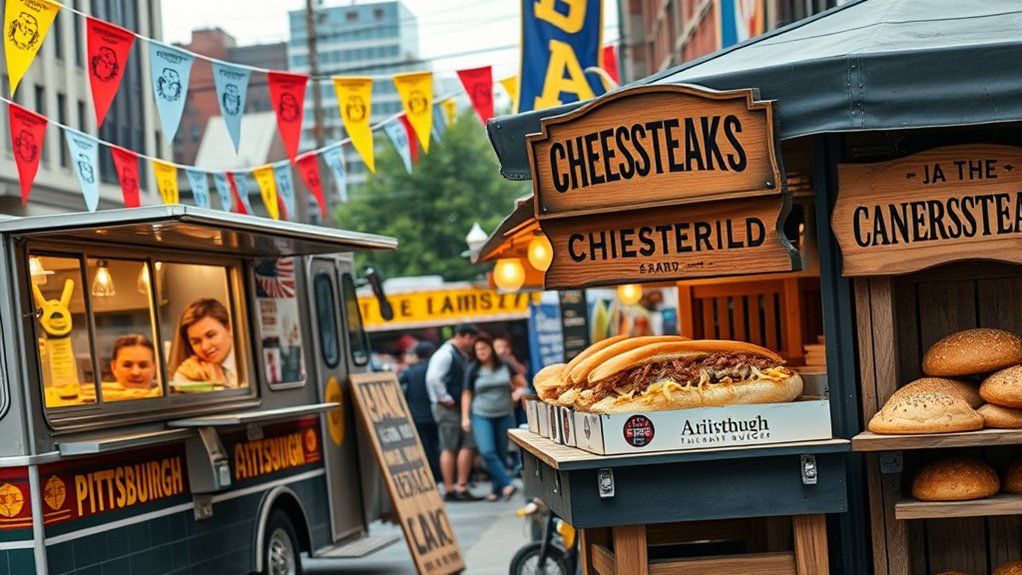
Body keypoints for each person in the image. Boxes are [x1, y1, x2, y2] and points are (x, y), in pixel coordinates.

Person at [462, 334, 526, 502]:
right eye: (477, 350)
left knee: (501, 453)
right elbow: (467, 394)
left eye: (484, 348)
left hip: (504, 414)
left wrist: (518, 392)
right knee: (487, 451)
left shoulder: (505, 364)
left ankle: (496, 489)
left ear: (491, 348)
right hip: (481, 415)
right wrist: (465, 418)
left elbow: (522, 383)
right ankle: (507, 484)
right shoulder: (473, 369)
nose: (481, 352)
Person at [426, 323, 481, 501]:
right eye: (471, 339)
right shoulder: (445, 354)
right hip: (447, 407)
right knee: (449, 446)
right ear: (463, 336)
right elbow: (433, 378)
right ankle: (450, 488)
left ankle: (460, 486)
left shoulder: (458, 354)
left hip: (456, 407)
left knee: (466, 444)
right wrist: (444, 398)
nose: (472, 343)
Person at [169, 298, 239, 387]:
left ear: (228, 328)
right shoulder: (189, 371)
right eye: (196, 341)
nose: (205, 347)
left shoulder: (251, 362)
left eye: (211, 335)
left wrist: (218, 386)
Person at [399, 340, 441, 484]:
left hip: (417, 415)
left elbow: (397, 384)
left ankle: (431, 477)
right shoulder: (435, 369)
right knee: (438, 446)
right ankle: (441, 475)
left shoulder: (410, 371)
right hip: (435, 413)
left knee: (424, 447)